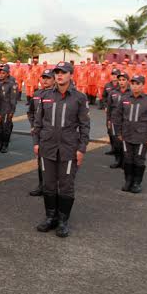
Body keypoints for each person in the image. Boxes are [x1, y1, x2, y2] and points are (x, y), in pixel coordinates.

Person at [32, 61, 90, 238]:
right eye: (57, 72)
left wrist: (81, 149)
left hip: (68, 148)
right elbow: (38, 122)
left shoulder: (79, 98)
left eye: (63, 72)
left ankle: (63, 220)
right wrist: (36, 142)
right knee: (48, 184)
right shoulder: (46, 95)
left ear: (71, 75)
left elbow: (84, 125)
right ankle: (51, 217)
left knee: (66, 186)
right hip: (47, 147)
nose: (59, 75)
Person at [115, 75, 147, 193]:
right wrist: (118, 132)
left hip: (141, 136)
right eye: (133, 83)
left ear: (142, 85)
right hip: (126, 135)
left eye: (137, 84)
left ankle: (136, 182)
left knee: (139, 159)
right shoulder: (124, 98)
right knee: (128, 159)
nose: (134, 86)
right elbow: (117, 116)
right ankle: (128, 180)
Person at [27, 68, 54, 196]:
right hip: (39, 132)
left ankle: (52, 187)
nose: (45, 80)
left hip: (52, 133)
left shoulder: (56, 94)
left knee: (53, 161)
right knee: (40, 160)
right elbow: (31, 112)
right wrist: (33, 125)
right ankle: (42, 186)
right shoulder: (37, 94)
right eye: (43, 77)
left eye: (48, 78)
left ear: (53, 80)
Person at [106, 71, 131, 169]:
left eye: (123, 80)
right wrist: (108, 120)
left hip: (127, 121)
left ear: (127, 81)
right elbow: (109, 107)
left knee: (126, 142)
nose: (121, 82)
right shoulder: (113, 92)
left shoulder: (131, 93)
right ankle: (118, 160)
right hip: (115, 121)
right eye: (120, 80)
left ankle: (125, 162)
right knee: (116, 142)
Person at [0, 65, 17, 153]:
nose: (1, 74)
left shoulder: (11, 84)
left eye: (3, 73)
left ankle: (5, 144)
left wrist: (12, 111)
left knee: (6, 128)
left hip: (6, 109)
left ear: (7, 74)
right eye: (0, 73)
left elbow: (13, 99)